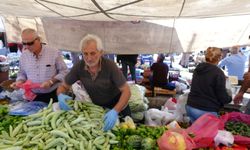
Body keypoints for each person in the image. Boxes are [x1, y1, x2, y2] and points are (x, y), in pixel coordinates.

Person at [57, 34, 131, 131]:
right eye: (85, 54)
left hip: (118, 106)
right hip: (99, 109)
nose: (89, 58)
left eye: (93, 53)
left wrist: (115, 111)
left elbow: (126, 91)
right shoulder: (79, 67)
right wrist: (60, 95)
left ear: (101, 52)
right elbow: (63, 86)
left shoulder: (110, 66)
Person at [11, 28, 68, 103]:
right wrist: (19, 81)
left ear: (38, 40)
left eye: (30, 43)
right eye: (24, 43)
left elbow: (64, 71)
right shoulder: (24, 55)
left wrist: (51, 82)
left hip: (52, 94)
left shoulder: (53, 52)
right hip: (32, 96)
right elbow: (22, 73)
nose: (26, 47)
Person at [186, 47, 232, 122]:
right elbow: (222, 96)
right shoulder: (218, 73)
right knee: (207, 133)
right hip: (205, 110)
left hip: (190, 106)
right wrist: (229, 98)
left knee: (194, 132)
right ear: (219, 58)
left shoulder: (198, 68)